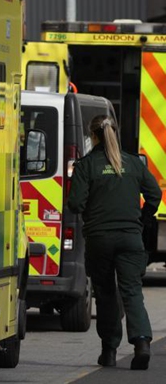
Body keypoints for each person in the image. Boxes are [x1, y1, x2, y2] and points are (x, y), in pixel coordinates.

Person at [67, 115, 162, 370]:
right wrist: (141, 219)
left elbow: (75, 203)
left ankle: (109, 351)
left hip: (100, 240)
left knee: (106, 294)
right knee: (132, 292)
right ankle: (142, 343)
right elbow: (155, 194)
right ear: (115, 132)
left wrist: (91, 211)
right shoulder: (132, 162)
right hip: (131, 238)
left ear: (93, 135)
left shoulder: (86, 166)